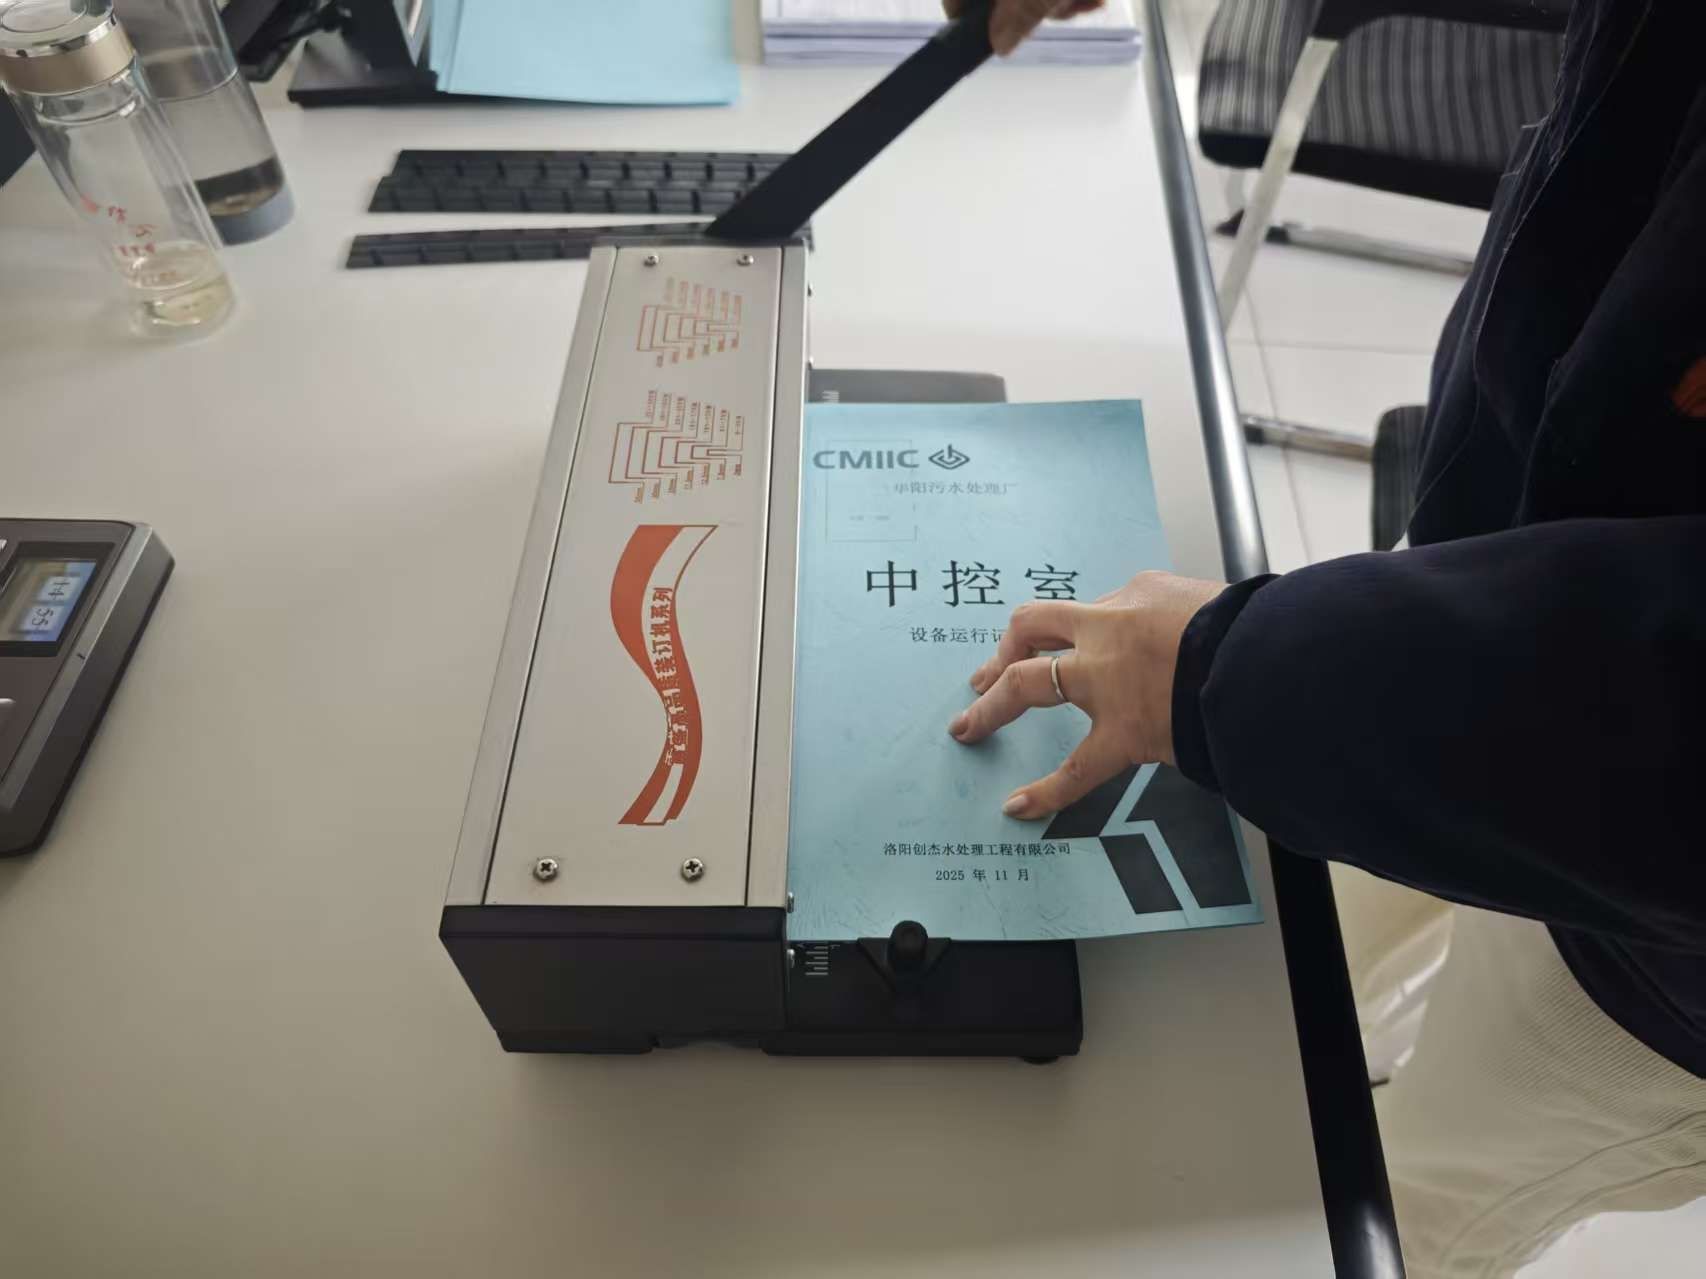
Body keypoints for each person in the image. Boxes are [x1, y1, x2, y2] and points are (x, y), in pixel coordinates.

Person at [945, 0, 1706, 1275]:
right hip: (1472, 600)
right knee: (1264, 1001)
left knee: (1393, 1208)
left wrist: (1222, 670)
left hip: (1652, 954)